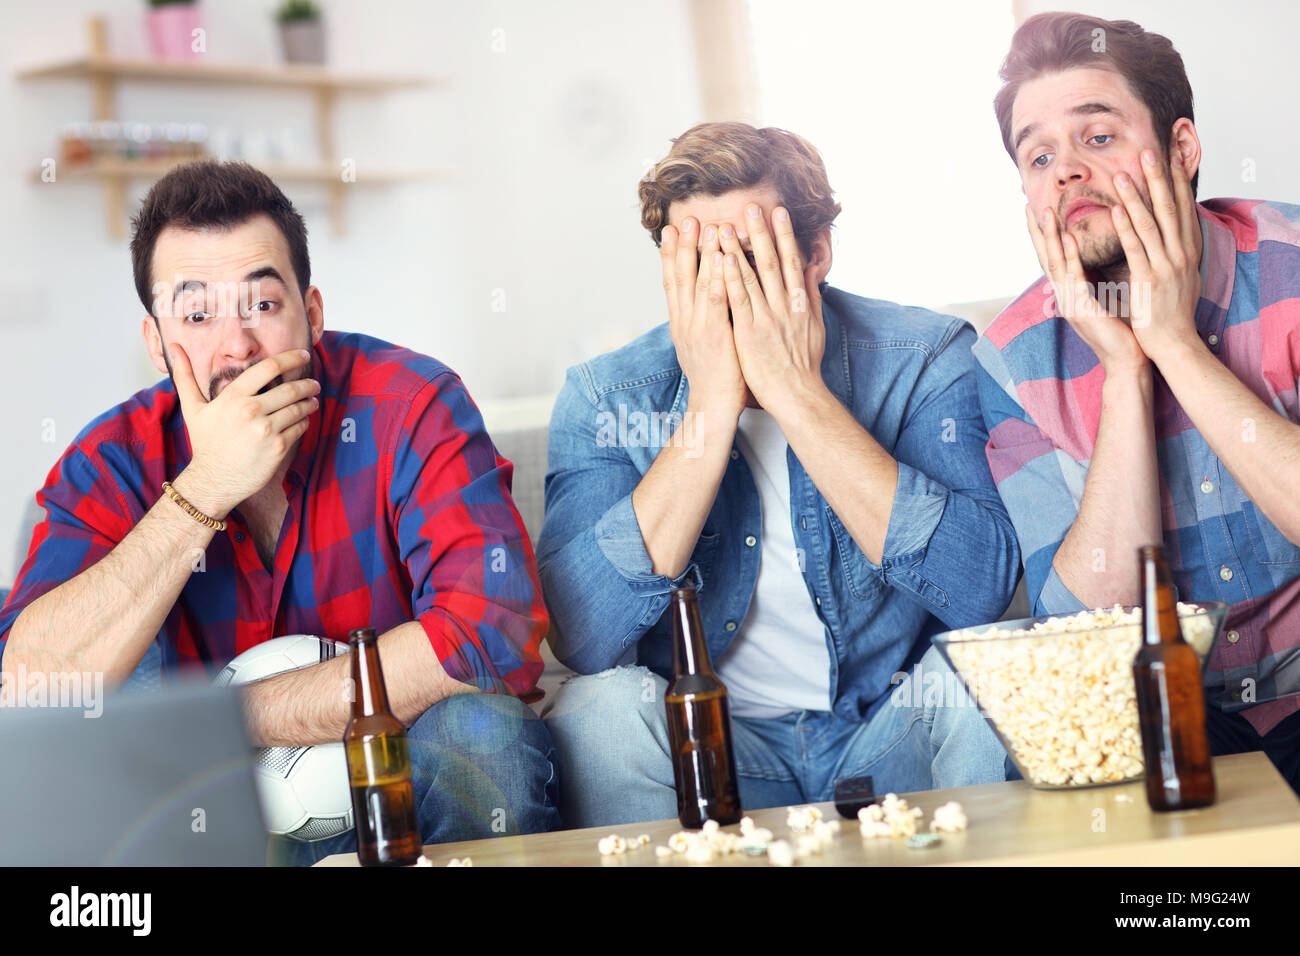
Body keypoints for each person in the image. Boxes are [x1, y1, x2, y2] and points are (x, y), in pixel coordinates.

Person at [0, 161, 561, 861]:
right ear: (155, 342)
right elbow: (31, 687)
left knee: (487, 733)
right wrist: (204, 489)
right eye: (197, 314)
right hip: (205, 809)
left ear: (313, 313)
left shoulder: (410, 405)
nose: (237, 347)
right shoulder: (111, 460)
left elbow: (491, 635)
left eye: (263, 306)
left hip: (397, 779)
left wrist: (229, 716)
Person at [539, 122, 1020, 827]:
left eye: (750, 255)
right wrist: (709, 407)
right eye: (702, 260)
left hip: (888, 740)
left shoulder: (923, 356)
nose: (726, 286)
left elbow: (980, 591)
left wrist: (798, 394)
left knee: (990, 667)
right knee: (599, 710)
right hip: (714, 754)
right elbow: (581, 639)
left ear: (816, 254)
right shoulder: (606, 395)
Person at [975, 12, 1300, 792]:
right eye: (1040, 155)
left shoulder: (1292, 268)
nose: (1066, 173)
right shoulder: (1013, 361)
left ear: (1181, 150)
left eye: (1098, 138)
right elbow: (1089, 642)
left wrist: (1178, 345)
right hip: (1165, 723)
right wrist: (1127, 369)